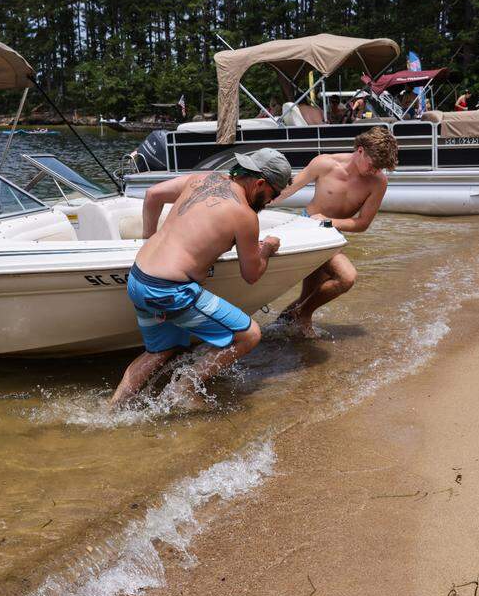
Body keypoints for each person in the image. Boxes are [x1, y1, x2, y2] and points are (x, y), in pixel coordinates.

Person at [110, 148, 292, 407]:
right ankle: (184, 388)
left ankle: (113, 409)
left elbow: (153, 195)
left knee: (160, 350)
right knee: (249, 335)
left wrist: (149, 238)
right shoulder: (245, 215)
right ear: (260, 182)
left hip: (139, 277)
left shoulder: (202, 178)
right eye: (273, 194)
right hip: (169, 290)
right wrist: (268, 248)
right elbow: (251, 275)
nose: (271, 201)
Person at [271, 127, 398, 337]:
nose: (376, 171)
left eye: (381, 167)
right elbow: (287, 190)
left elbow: (363, 223)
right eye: (373, 164)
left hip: (331, 234)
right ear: (360, 150)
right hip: (308, 229)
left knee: (310, 294)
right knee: (346, 277)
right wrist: (250, 203)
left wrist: (329, 222)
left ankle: (281, 327)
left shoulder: (378, 182)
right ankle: (300, 318)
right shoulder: (325, 163)